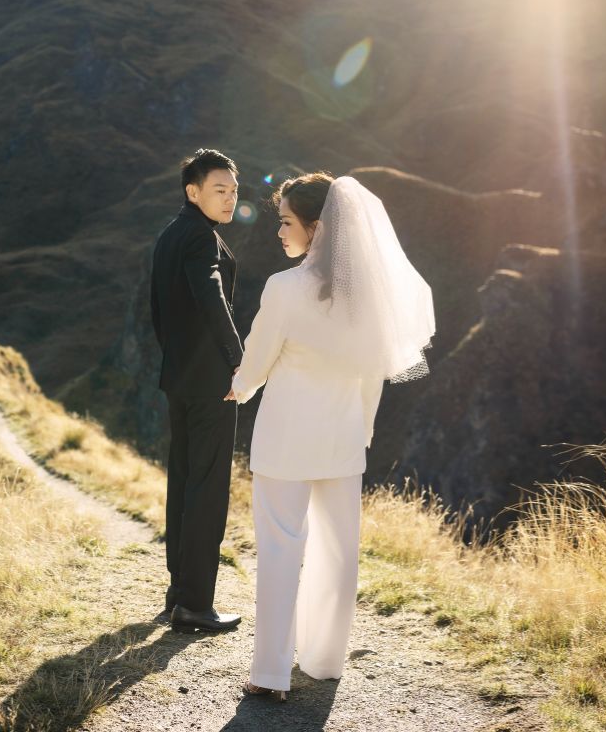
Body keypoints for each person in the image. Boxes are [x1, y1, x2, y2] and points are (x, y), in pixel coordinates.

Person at [226, 172, 435, 699]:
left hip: (286, 441)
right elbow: (373, 377)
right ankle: (324, 661)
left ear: (316, 228)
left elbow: (259, 354)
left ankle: (270, 673)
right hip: (343, 440)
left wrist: (240, 388)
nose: (279, 232)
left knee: (279, 550)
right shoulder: (367, 299)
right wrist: (361, 430)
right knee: (339, 553)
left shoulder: (284, 288)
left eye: (286, 222)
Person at [149, 148, 245, 632]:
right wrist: (239, 362)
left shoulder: (170, 235)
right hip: (212, 385)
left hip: (179, 379)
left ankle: (178, 590)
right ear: (193, 192)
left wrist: (178, 361)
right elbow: (212, 298)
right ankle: (194, 603)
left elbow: (158, 313)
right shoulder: (202, 239)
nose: (229, 199)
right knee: (207, 491)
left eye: (233, 190)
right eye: (218, 190)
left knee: (184, 484)